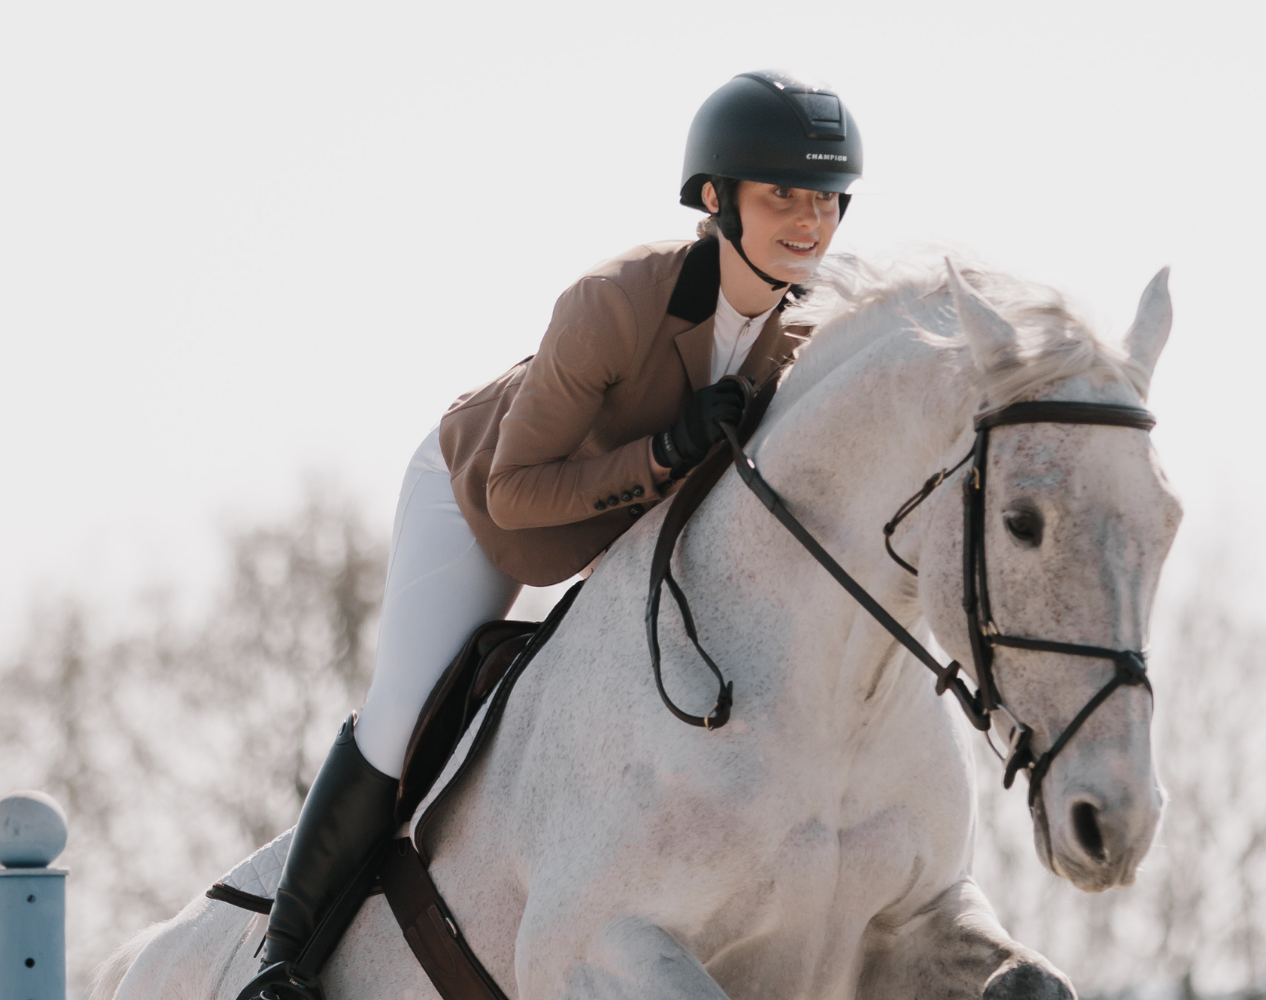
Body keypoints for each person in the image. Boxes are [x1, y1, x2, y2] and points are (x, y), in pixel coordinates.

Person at [243, 69, 863, 996]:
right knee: (405, 714)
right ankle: (279, 960)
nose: (809, 222)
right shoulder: (612, 299)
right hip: (476, 494)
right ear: (713, 197)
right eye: (783, 195)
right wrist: (664, 453)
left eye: (826, 199)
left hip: (625, 537)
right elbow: (516, 494)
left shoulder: (813, 333)